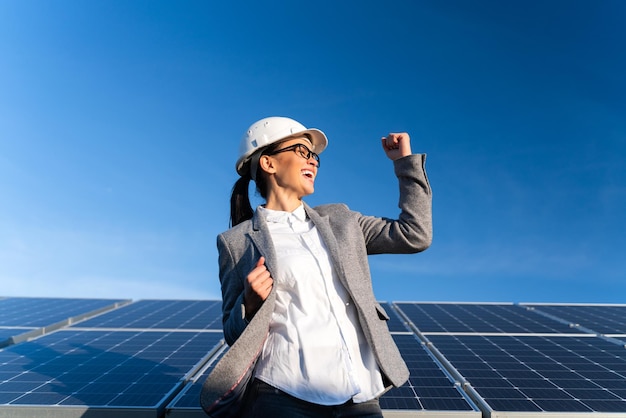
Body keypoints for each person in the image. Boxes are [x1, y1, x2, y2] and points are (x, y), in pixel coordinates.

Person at [201, 116, 432, 418]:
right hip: (280, 395)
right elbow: (233, 333)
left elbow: (415, 235)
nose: (313, 160)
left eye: (315, 156)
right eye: (302, 151)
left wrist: (405, 164)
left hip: (359, 395)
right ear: (268, 163)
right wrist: (249, 303)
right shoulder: (236, 242)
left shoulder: (342, 220)